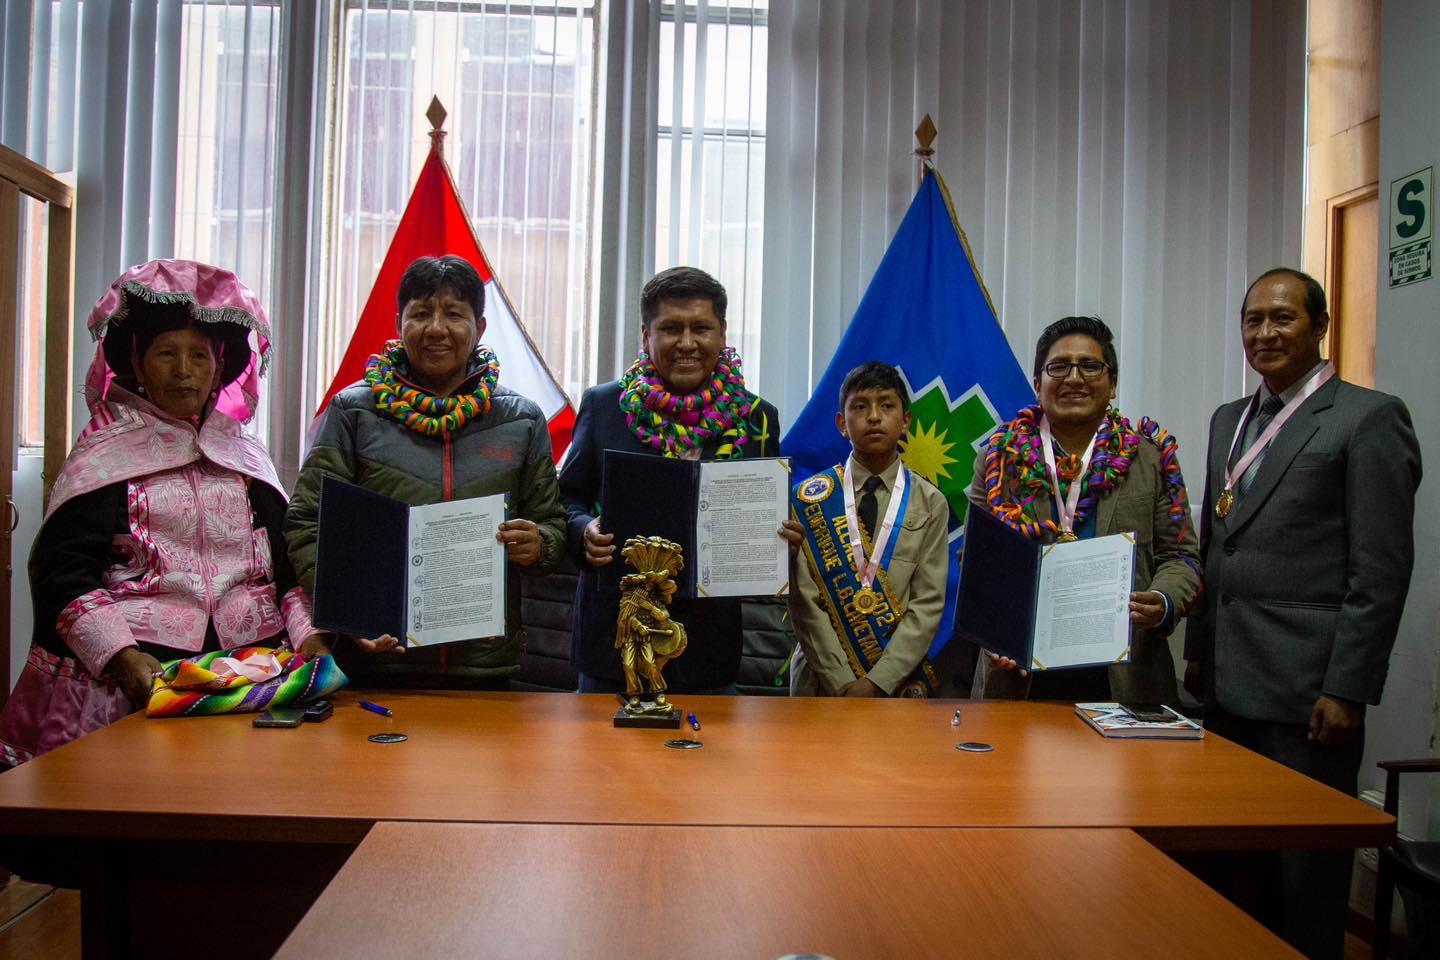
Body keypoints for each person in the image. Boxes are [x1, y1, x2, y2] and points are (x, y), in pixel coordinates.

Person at [1184, 268, 1421, 960]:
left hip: (1307, 694)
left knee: (1305, 874)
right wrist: (1199, 649)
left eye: (1282, 319)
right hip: (1227, 686)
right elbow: (1214, 542)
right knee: (1233, 869)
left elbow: (1379, 572)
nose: (1264, 333)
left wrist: (1348, 687)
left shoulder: (1368, 418)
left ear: (1320, 325)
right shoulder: (1229, 420)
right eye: (1252, 320)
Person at [0, 259, 320, 767]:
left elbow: (287, 573)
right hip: (131, 684)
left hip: (249, 677)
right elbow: (64, 572)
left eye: (199, 355)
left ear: (219, 367)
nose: (184, 369)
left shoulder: (247, 461)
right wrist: (123, 656)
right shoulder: (104, 459)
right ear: (139, 363)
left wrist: (310, 639)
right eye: (166, 353)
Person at [285, 255, 565, 689]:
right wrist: (347, 608)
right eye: (421, 313)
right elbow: (307, 521)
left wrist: (539, 544)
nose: (436, 329)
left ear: (480, 328)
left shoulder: (522, 420)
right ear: (398, 323)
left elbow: (552, 525)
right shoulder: (353, 411)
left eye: (454, 314)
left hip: (483, 667)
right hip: (378, 661)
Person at [559, 266, 785, 694]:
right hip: (613, 643)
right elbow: (565, 499)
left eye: (701, 328)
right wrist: (581, 529)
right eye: (670, 328)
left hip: (708, 647)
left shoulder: (758, 418)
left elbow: (763, 514)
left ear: (722, 333)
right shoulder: (604, 405)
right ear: (645, 335)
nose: (687, 343)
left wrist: (779, 536)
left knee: (708, 760)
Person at [968, 316, 1201, 703]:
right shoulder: (999, 458)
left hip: (1126, 675)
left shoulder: (1152, 457)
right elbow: (978, 562)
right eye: (1058, 366)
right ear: (1037, 382)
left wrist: (1162, 601)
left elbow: (1180, 556)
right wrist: (991, 629)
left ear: (1112, 384)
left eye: (1090, 366)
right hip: (1019, 674)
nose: (1074, 378)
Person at [788, 362, 948, 697]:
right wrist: (840, 680)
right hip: (820, 680)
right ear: (841, 424)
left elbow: (928, 603)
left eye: (887, 405)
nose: (874, 417)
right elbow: (804, 601)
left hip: (896, 680)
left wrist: (878, 682)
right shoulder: (808, 499)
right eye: (860, 407)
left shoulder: (930, 502)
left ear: (905, 421)